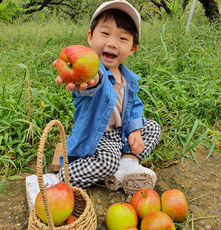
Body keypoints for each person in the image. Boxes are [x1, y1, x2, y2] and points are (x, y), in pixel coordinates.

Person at [26, 0, 161, 210]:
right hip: (98, 138)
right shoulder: (92, 72)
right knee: (107, 161)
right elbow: (93, 84)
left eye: (123, 38)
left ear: (132, 48)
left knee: (152, 127)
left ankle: (125, 165)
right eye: (105, 34)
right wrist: (89, 81)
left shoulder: (129, 79)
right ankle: (57, 180)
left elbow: (134, 104)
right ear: (90, 37)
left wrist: (134, 129)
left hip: (121, 134)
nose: (113, 43)